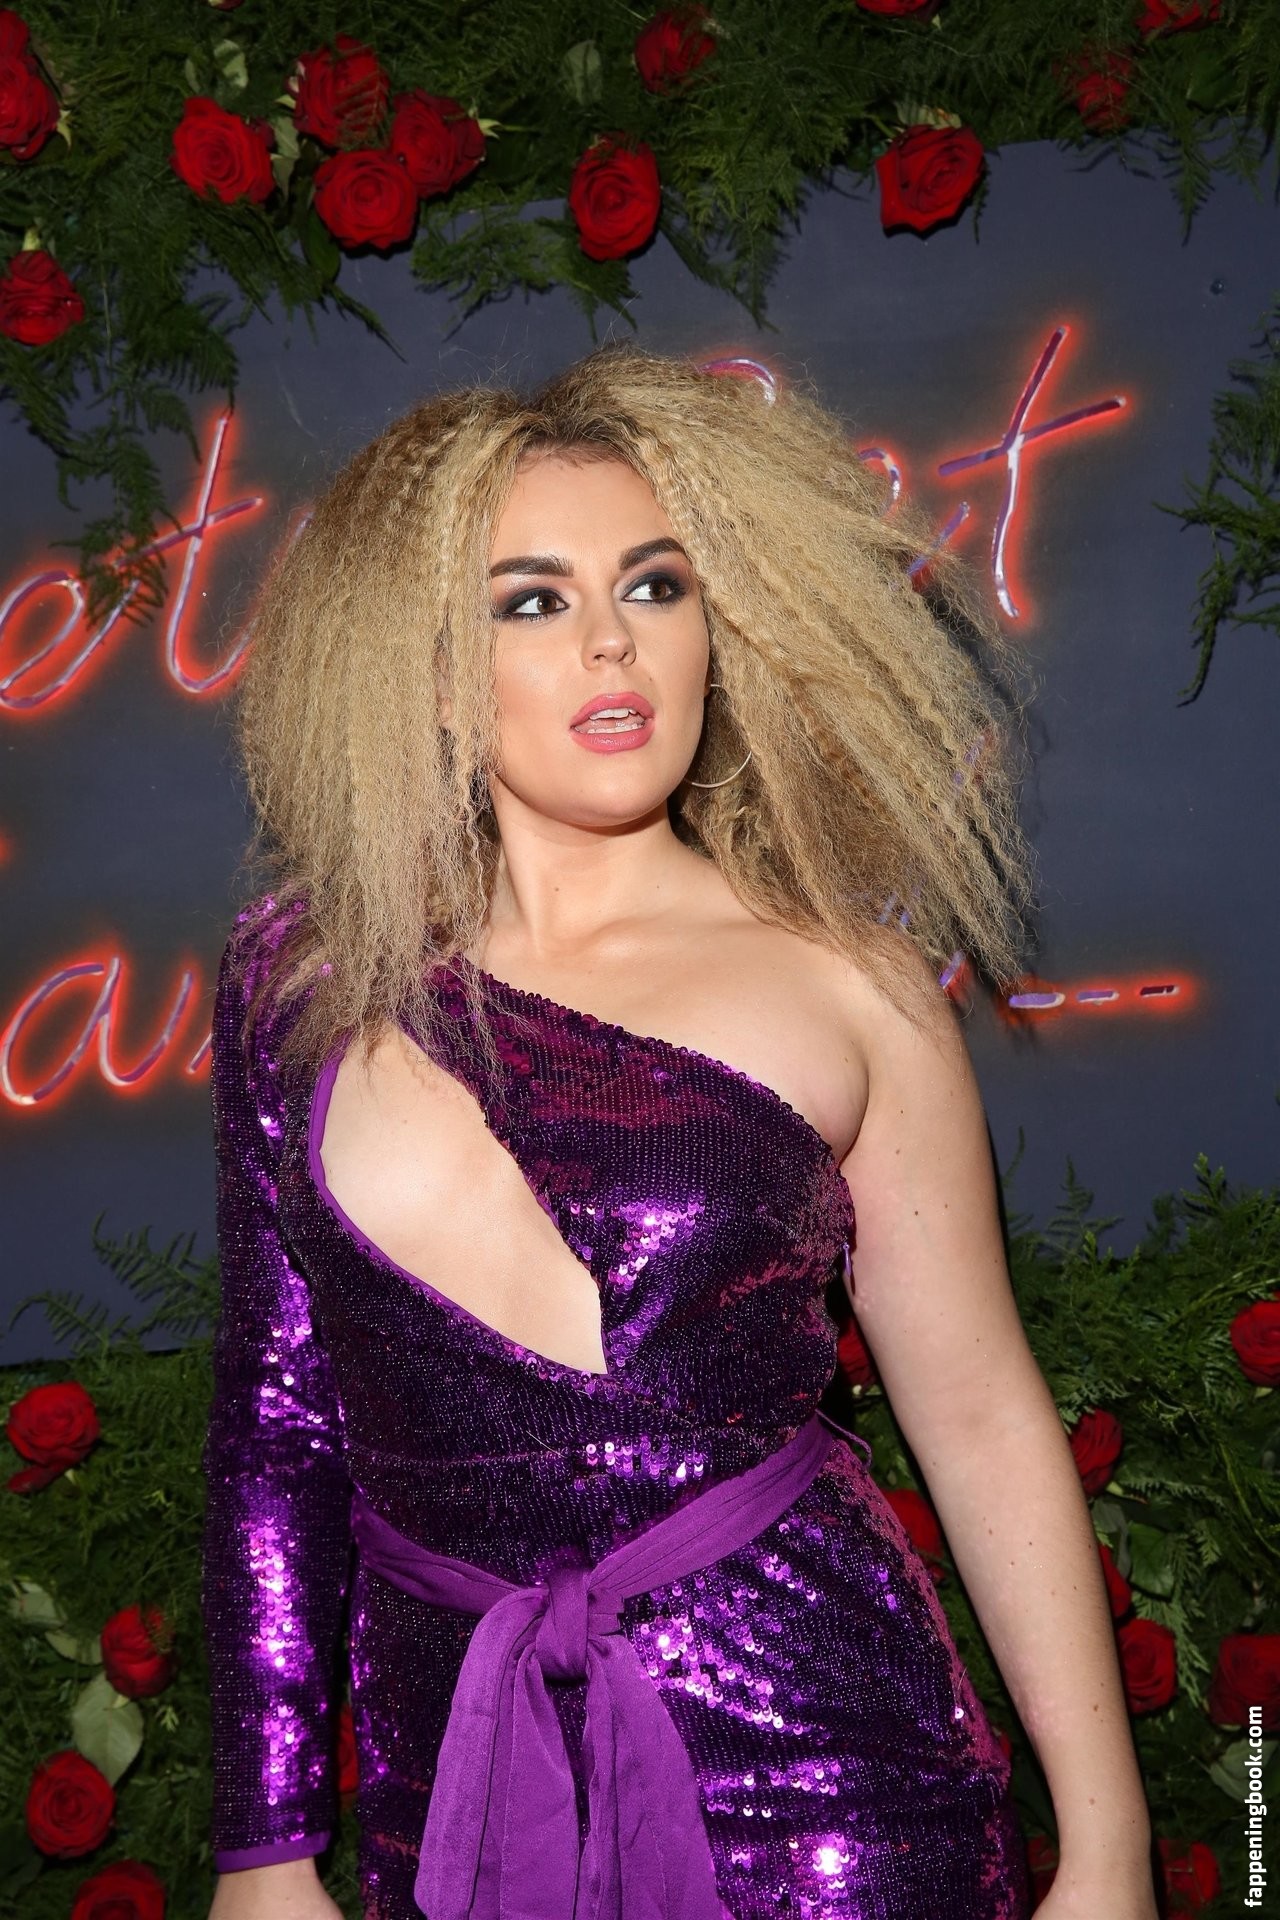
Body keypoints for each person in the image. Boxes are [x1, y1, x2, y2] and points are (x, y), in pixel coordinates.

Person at [203, 344, 1159, 1920]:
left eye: (655, 586)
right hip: (459, 1800)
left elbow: (982, 1415)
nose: (613, 640)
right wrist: (263, 1847)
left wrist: (1109, 1848)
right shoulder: (299, 985)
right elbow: (276, 1421)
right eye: (533, 601)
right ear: (428, 671)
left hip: (834, 1790)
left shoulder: (850, 986)